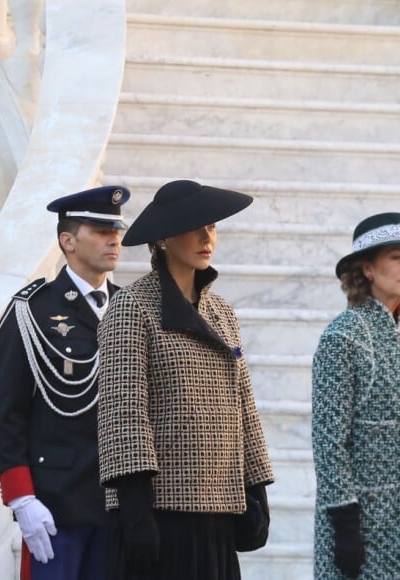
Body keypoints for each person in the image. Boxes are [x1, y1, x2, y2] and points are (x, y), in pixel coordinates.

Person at [96, 179, 275, 580]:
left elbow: (244, 404)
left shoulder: (222, 312)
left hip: (219, 510)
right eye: (193, 226)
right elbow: (123, 411)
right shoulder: (131, 306)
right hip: (161, 513)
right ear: (161, 240)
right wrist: (136, 512)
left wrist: (256, 490)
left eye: (210, 226)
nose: (205, 236)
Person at [0, 184, 131, 580]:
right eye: (101, 231)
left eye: (116, 231)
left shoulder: (131, 306)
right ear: (68, 240)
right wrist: (21, 499)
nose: (114, 240)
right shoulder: (32, 311)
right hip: (56, 505)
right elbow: (7, 413)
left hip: (121, 503)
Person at [312, 212, 400, 579]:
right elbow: (329, 442)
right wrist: (345, 526)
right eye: (397, 256)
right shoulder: (343, 337)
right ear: (369, 270)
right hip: (364, 530)